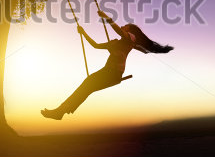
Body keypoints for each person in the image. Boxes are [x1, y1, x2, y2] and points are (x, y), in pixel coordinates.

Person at [41, 10, 174, 120]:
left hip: (114, 73)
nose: (122, 26)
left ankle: (61, 111)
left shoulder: (131, 39)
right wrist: (83, 33)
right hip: (109, 72)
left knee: (87, 85)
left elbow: (119, 31)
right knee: (87, 87)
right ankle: (62, 111)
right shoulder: (115, 43)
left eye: (125, 26)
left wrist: (107, 17)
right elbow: (95, 45)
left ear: (130, 30)